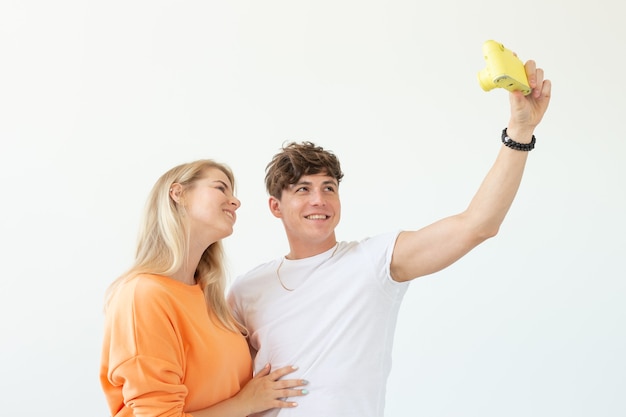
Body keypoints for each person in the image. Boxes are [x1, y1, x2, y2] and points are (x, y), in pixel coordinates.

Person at [227, 59, 552, 417]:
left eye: (328, 188)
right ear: (276, 206)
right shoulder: (246, 290)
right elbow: (224, 382)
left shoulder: (375, 261)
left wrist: (519, 132)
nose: (319, 200)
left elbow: (477, 224)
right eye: (303, 189)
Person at [100, 159, 309, 417]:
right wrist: (246, 403)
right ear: (178, 194)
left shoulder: (210, 301)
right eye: (221, 188)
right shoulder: (142, 295)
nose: (235, 202)